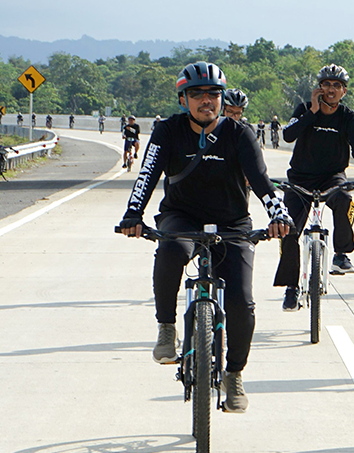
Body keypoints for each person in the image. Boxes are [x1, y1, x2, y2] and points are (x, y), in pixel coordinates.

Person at [117, 61, 293, 413]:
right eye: (196, 94)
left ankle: (235, 376)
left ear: (221, 97)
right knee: (169, 250)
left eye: (213, 93)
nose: (206, 100)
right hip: (181, 216)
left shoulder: (240, 134)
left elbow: (261, 180)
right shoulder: (168, 131)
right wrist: (133, 214)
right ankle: (167, 329)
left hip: (232, 222)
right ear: (183, 99)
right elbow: (147, 174)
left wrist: (278, 214)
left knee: (242, 303)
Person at [274, 64, 354, 309]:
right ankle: (291, 287)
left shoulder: (349, 117)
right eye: (326, 84)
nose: (330, 89)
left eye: (336, 86)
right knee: (288, 228)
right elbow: (287, 135)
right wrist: (312, 112)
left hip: (332, 177)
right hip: (300, 179)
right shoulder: (305, 109)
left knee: (345, 201)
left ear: (344, 92)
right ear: (318, 88)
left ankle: (341, 254)